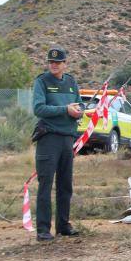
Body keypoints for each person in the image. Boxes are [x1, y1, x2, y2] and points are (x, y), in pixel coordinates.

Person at [31, 46, 83, 242]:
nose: (54, 65)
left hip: (67, 138)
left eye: (58, 62)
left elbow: (79, 103)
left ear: (64, 64)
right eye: (51, 62)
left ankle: (63, 225)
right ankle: (43, 229)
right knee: (46, 184)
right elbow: (39, 108)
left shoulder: (70, 82)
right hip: (49, 138)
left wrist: (79, 110)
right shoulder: (42, 81)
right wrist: (65, 110)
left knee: (65, 184)